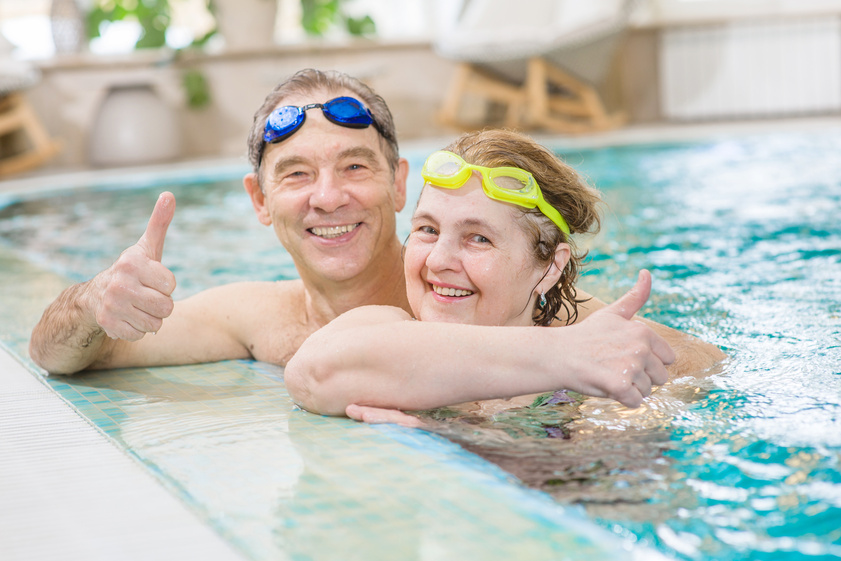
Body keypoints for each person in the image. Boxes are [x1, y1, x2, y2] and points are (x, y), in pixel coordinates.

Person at [28, 69, 721, 399]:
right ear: (259, 200)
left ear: (397, 184)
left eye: (353, 166)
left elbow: (700, 368)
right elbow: (57, 357)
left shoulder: (499, 301)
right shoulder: (255, 315)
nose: (327, 196)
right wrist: (93, 301)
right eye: (296, 174)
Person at [285, 128, 721, 419]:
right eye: (427, 230)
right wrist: (563, 356)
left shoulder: (595, 395)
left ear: (550, 267)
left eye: (478, 239)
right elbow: (313, 373)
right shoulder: (383, 328)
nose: (438, 260)